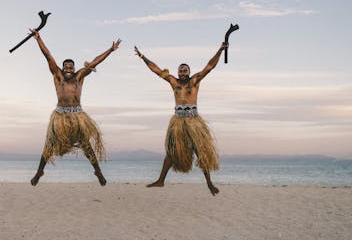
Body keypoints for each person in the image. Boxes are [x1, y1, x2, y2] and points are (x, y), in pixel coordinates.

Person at [134, 37, 229, 196]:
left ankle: (209, 183)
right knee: (171, 152)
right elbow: (156, 70)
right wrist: (143, 57)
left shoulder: (195, 81)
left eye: (185, 70)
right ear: (177, 72)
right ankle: (160, 181)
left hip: (194, 122)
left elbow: (210, 66)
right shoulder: (173, 82)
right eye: (180, 70)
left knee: (201, 151)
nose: (182, 72)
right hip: (178, 122)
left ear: (189, 72)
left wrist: (220, 50)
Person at [29, 29, 121, 186]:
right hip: (60, 116)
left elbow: (95, 62)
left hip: (78, 116)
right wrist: (38, 39)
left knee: (86, 146)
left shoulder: (80, 76)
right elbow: (48, 56)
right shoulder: (58, 75)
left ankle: (98, 172)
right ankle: (39, 172)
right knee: (49, 145)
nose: (68, 68)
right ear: (62, 68)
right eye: (66, 66)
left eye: (71, 66)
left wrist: (110, 50)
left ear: (74, 68)